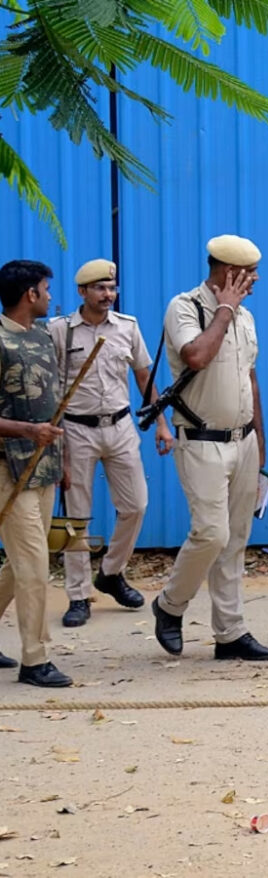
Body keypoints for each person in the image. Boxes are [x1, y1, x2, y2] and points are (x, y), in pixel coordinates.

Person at [150, 235, 268, 661]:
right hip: (202, 440)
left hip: (243, 440)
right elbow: (197, 356)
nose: (256, 280)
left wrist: (259, 440)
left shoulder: (247, 317)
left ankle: (230, 633)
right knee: (211, 532)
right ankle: (169, 605)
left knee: (235, 540)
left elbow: (251, 379)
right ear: (230, 274)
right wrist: (224, 309)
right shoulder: (185, 307)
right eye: (250, 274)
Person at [48, 258, 174, 628]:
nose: (107, 295)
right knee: (76, 516)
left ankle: (111, 572)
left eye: (112, 288)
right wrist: (58, 448)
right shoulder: (60, 331)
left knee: (136, 504)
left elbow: (144, 377)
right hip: (75, 431)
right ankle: (77, 595)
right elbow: (51, 389)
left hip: (119, 426)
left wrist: (162, 424)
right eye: (100, 288)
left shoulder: (127, 327)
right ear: (82, 292)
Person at [0, 260, 72, 686]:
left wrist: (60, 459)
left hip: (43, 465)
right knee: (33, 564)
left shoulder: (43, 336)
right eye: (46, 288)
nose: (48, 295)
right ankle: (34, 658)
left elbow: (51, 401)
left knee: (21, 562)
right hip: (7, 468)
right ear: (31, 294)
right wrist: (29, 430)